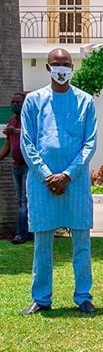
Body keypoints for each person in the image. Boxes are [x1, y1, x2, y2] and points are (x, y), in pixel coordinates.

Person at [19, 50, 98, 315]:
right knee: (42, 243)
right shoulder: (33, 101)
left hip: (75, 183)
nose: (61, 69)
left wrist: (67, 175)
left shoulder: (85, 101)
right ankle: (41, 298)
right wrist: (46, 175)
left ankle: (83, 296)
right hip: (42, 184)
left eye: (66, 64)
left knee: (82, 242)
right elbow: (27, 143)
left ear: (72, 67)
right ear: (48, 67)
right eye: (57, 65)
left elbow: (89, 144)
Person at [0, 92, 29, 244]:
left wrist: (16, 131)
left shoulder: (30, 120)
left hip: (28, 167)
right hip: (16, 167)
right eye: (13, 102)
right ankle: (27, 231)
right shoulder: (11, 121)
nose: (14, 104)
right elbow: (7, 145)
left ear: (25, 104)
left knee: (24, 201)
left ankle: (21, 234)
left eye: (18, 102)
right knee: (20, 202)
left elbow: (33, 135)